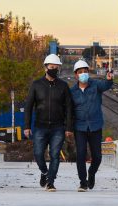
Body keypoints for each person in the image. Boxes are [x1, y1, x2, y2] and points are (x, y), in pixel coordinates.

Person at [24, 54, 73, 192]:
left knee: (55, 155)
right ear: (46, 68)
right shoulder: (36, 85)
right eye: (52, 67)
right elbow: (28, 106)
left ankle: (50, 182)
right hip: (40, 127)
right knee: (38, 154)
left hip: (58, 128)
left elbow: (69, 108)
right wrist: (27, 126)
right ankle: (45, 172)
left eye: (57, 68)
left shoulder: (63, 86)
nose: (55, 70)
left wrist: (69, 127)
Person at [70, 60, 113, 192]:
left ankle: (92, 173)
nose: (83, 74)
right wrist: (68, 128)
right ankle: (83, 182)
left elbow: (106, 85)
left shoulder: (95, 85)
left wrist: (109, 79)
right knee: (81, 155)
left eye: (85, 71)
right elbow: (69, 110)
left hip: (95, 126)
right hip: (80, 128)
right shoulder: (72, 92)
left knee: (97, 156)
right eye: (80, 72)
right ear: (76, 75)